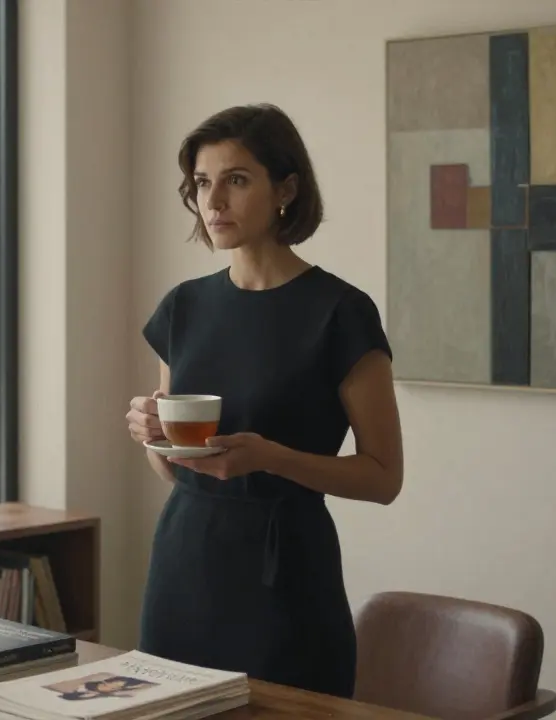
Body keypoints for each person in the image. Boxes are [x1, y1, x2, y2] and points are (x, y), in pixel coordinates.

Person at [126, 103, 403, 698]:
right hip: (183, 565)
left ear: (287, 189)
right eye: (203, 183)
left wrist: (271, 457)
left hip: (287, 579)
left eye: (237, 180)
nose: (214, 201)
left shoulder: (341, 313)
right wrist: (152, 434)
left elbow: (384, 478)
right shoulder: (184, 308)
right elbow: (175, 468)